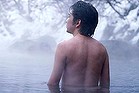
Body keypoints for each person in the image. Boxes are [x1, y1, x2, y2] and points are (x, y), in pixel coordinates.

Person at [47, 1, 110, 91]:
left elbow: (52, 84)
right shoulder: (102, 50)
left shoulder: (64, 47)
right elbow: (105, 87)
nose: (66, 20)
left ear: (77, 23)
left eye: (69, 16)